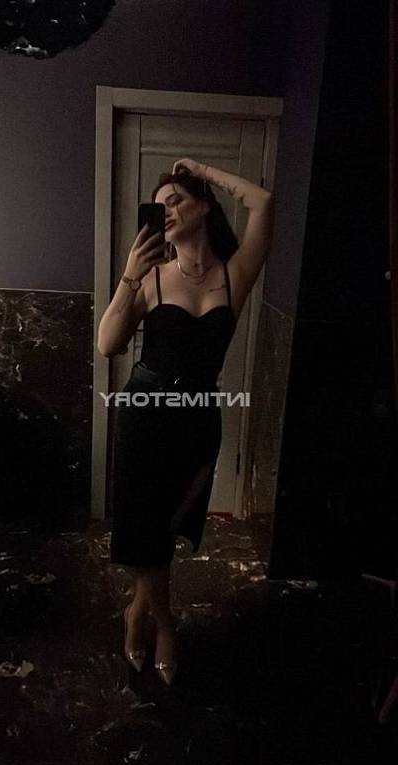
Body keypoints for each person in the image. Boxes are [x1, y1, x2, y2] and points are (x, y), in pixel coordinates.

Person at [97, 157, 274, 685]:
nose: (167, 210)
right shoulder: (150, 276)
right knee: (146, 529)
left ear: (204, 207)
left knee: (168, 526)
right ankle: (163, 624)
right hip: (144, 416)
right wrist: (129, 275)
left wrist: (200, 169)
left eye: (177, 200)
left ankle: (136, 610)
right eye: (161, 205)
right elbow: (108, 344)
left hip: (197, 421)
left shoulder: (234, 276)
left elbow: (262, 203)